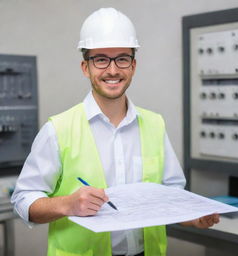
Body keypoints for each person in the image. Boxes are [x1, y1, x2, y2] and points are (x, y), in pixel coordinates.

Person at [11, 7, 219, 256]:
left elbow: (170, 198)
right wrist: (67, 204)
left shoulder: (154, 124)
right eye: (101, 59)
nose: (112, 70)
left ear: (133, 65)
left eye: (121, 58)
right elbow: (22, 200)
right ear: (85, 67)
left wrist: (192, 218)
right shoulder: (58, 129)